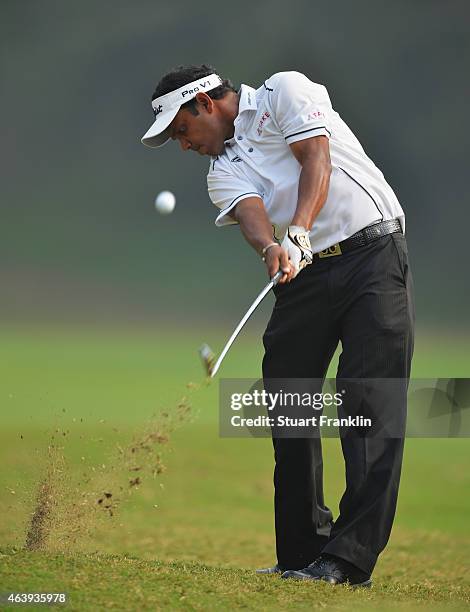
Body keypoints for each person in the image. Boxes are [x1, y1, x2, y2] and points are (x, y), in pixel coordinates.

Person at [141, 64, 415, 587]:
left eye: (181, 130)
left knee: (369, 403)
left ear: (204, 103)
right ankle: (300, 552)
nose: (184, 145)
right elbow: (250, 214)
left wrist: (301, 231)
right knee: (287, 401)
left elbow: (316, 156)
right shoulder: (220, 169)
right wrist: (273, 247)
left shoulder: (283, 91)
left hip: (372, 254)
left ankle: (348, 559)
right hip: (303, 274)